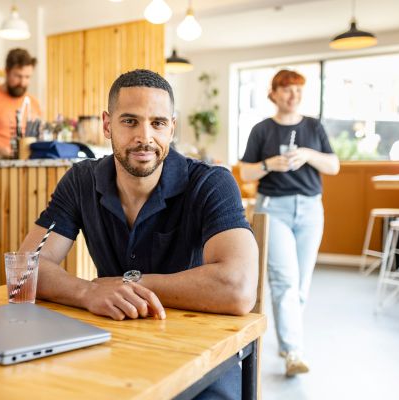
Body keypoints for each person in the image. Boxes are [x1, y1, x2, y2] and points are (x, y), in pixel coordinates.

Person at [18, 69, 258, 400]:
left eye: (157, 123)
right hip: (110, 344)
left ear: (172, 127)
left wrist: (129, 284)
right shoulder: (80, 181)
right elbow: (27, 268)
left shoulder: (211, 182)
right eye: (130, 121)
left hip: (200, 355)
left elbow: (238, 287)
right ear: (107, 125)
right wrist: (88, 293)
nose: (144, 137)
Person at [239, 69, 339, 377]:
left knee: (301, 285)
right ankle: (294, 351)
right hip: (273, 210)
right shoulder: (262, 130)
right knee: (284, 280)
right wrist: (270, 164)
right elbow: (245, 174)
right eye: (286, 90)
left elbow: (333, 166)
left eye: (298, 90)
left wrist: (308, 154)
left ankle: (287, 338)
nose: (293, 95)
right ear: (274, 94)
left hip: (310, 210)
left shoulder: (313, 126)